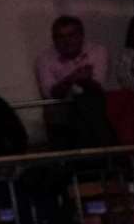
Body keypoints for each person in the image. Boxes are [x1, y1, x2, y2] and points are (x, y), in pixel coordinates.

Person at [35, 15, 115, 149]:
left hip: (94, 106)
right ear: (53, 39)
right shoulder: (44, 58)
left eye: (71, 35)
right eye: (60, 37)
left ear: (81, 36)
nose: (66, 41)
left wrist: (73, 83)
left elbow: (97, 85)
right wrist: (73, 78)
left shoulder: (97, 51)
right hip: (62, 110)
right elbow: (50, 93)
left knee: (88, 103)